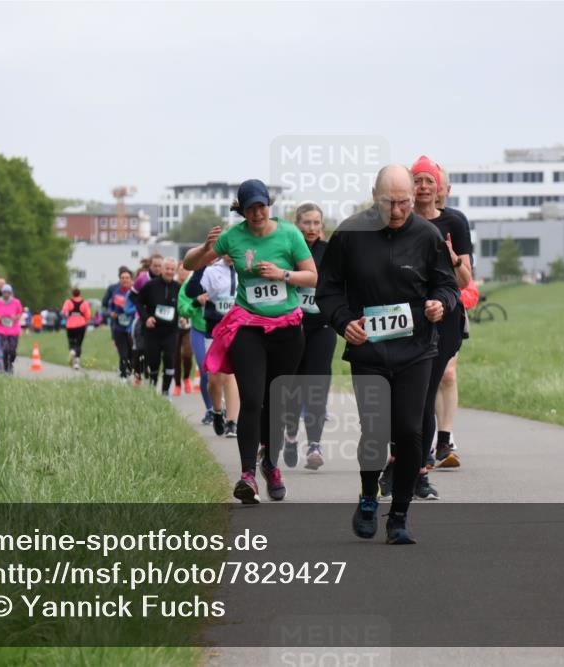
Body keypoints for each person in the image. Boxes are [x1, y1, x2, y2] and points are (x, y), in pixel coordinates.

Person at [317, 165, 459, 544]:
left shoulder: (427, 235)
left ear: (413, 198)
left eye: (403, 203)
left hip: (416, 349)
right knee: (375, 432)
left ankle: (399, 516)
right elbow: (326, 292)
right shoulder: (349, 234)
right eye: (388, 203)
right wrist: (344, 321)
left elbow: (448, 286)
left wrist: (439, 305)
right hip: (369, 350)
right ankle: (368, 496)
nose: (397, 211)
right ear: (373, 195)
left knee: (411, 431)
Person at [183, 179, 317, 504]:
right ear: (242, 210)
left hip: (286, 329)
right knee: (252, 399)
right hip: (249, 327)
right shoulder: (233, 236)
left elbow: (312, 276)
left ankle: (270, 464)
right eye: (251, 208)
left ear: (268, 205)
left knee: (277, 402)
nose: (257, 213)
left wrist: (282, 275)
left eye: (261, 206)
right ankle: (246, 476)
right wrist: (204, 249)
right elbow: (190, 264)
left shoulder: (289, 234)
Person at [406, 156, 473, 500]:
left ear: (439, 187)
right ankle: (407, 462)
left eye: (428, 181)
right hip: (408, 314)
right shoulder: (399, 218)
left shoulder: (454, 222)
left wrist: (453, 258)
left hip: (445, 313)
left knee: (434, 383)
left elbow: (466, 279)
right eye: (417, 180)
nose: (423, 187)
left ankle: (422, 464)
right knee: (411, 393)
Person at [281, 202, 336, 471]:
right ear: (297, 224)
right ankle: (290, 437)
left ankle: (314, 444)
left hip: (322, 327)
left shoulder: (330, 252)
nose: (312, 228)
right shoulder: (288, 252)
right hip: (293, 326)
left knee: (317, 384)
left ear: (322, 226)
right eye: (306, 223)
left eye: (316, 223)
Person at [185, 255, 241, 437]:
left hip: (238, 327)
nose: (231, 254)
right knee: (215, 379)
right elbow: (191, 291)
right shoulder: (211, 270)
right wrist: (201, 265)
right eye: (227, 249)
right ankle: (217, 411)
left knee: (232, 374)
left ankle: (232, 421)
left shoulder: (245, 267)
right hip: (215, 329)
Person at [137, 257, 181, 395]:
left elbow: (184, 305)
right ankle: (152, 389)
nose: (169, 271)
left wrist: (184, 316)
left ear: (175, 271)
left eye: (172, 269)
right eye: (167, 268)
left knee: (169, 361)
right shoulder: (151, 285)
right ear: (161, 270)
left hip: (171, 331)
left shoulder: (178, 288)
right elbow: (138, 301)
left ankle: (165, 392)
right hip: (153, 331)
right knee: (153, 362)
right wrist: (146, 318)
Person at [178, 264, 215, 422]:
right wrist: (196, 302)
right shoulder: (191, 283)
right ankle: (210, 409)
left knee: (225, 374)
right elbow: (183, 309)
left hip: (222, 331)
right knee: (205, 372)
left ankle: (228, 411)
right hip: (200, 330)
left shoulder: (228, 276)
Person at [131, 255, 163, 383]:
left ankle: (150, 373)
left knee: (154, 350)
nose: (157, 268)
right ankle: (138, 374)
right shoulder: (143, 278)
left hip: (160, 320)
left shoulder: (165, 279)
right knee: (140, 348)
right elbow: (132, 296)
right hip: (142, 318)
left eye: (159, 266)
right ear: (150, 266)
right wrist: (142, 309)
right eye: (155, 265)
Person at [101, 266, 135, 382]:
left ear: (131, 279)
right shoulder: (115, 293)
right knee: (123, 354)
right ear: (120, 280)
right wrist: (111, 313)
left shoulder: (134, 293)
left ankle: (129, 371)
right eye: (122, 278)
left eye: (127, 278)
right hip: (118, 328)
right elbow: (109, 307)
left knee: (131, 353)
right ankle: (123, 377)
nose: (125, 280)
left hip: (132, 328)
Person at [172, 263, 195, 396]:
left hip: (189, 325)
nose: (183, 272)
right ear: (177, 271)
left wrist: (187, 316)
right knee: (175, 355)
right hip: (174, 326)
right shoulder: (173, 285)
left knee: (187, 353)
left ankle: (186, 377)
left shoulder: (192, 285)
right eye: (181, 270)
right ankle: (177, 384)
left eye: (186, 270)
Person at [0, 284, 22, 374]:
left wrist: (15, 317)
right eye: (4, 292)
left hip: (13, 330)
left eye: (7, 292)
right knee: (4, 349)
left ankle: (10, 363)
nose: (6, 294)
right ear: (2, 293)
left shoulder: (16, 302)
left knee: (12, 350)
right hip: (1, 329)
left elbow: (20, 314)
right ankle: (6, 367)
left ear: (10, 293)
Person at [62, 288, 92, 370]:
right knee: (79, 343)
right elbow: (88, 315)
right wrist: (85, 319)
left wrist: (66, 318)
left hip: (70, 325)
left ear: (72, 294)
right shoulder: (84, 303)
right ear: (80, 293)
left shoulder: (68, 302)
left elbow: (64, 312)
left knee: (71, 341)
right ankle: (77, 363)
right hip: (81, 325)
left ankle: (72, 350)